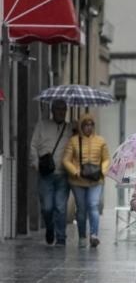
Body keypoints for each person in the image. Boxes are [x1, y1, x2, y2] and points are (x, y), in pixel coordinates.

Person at [62, 114, 110, 248]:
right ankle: (82, 235)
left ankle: (94, 235)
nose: (89, 127)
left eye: (91, 125)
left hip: (96, 180)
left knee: (93, 205)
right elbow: (66, 159)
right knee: (81, 209)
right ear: (81, 126)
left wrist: (103, 170)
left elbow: (106, 158)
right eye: (86, 125)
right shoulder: (73, 141)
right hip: (78, 181)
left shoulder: (101, 141)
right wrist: (75, 171)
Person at [29, 99, 72, 246]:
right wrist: (35, 163)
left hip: (63, 174)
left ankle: (61, 238)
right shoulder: (42, 125)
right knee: (47, 208)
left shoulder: (70, 128)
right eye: (58, 109)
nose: (61, 112)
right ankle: (50, 228)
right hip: (45, 174)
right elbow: (33, 145)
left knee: (60, 207)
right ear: (52, 111)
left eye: (64, 109)